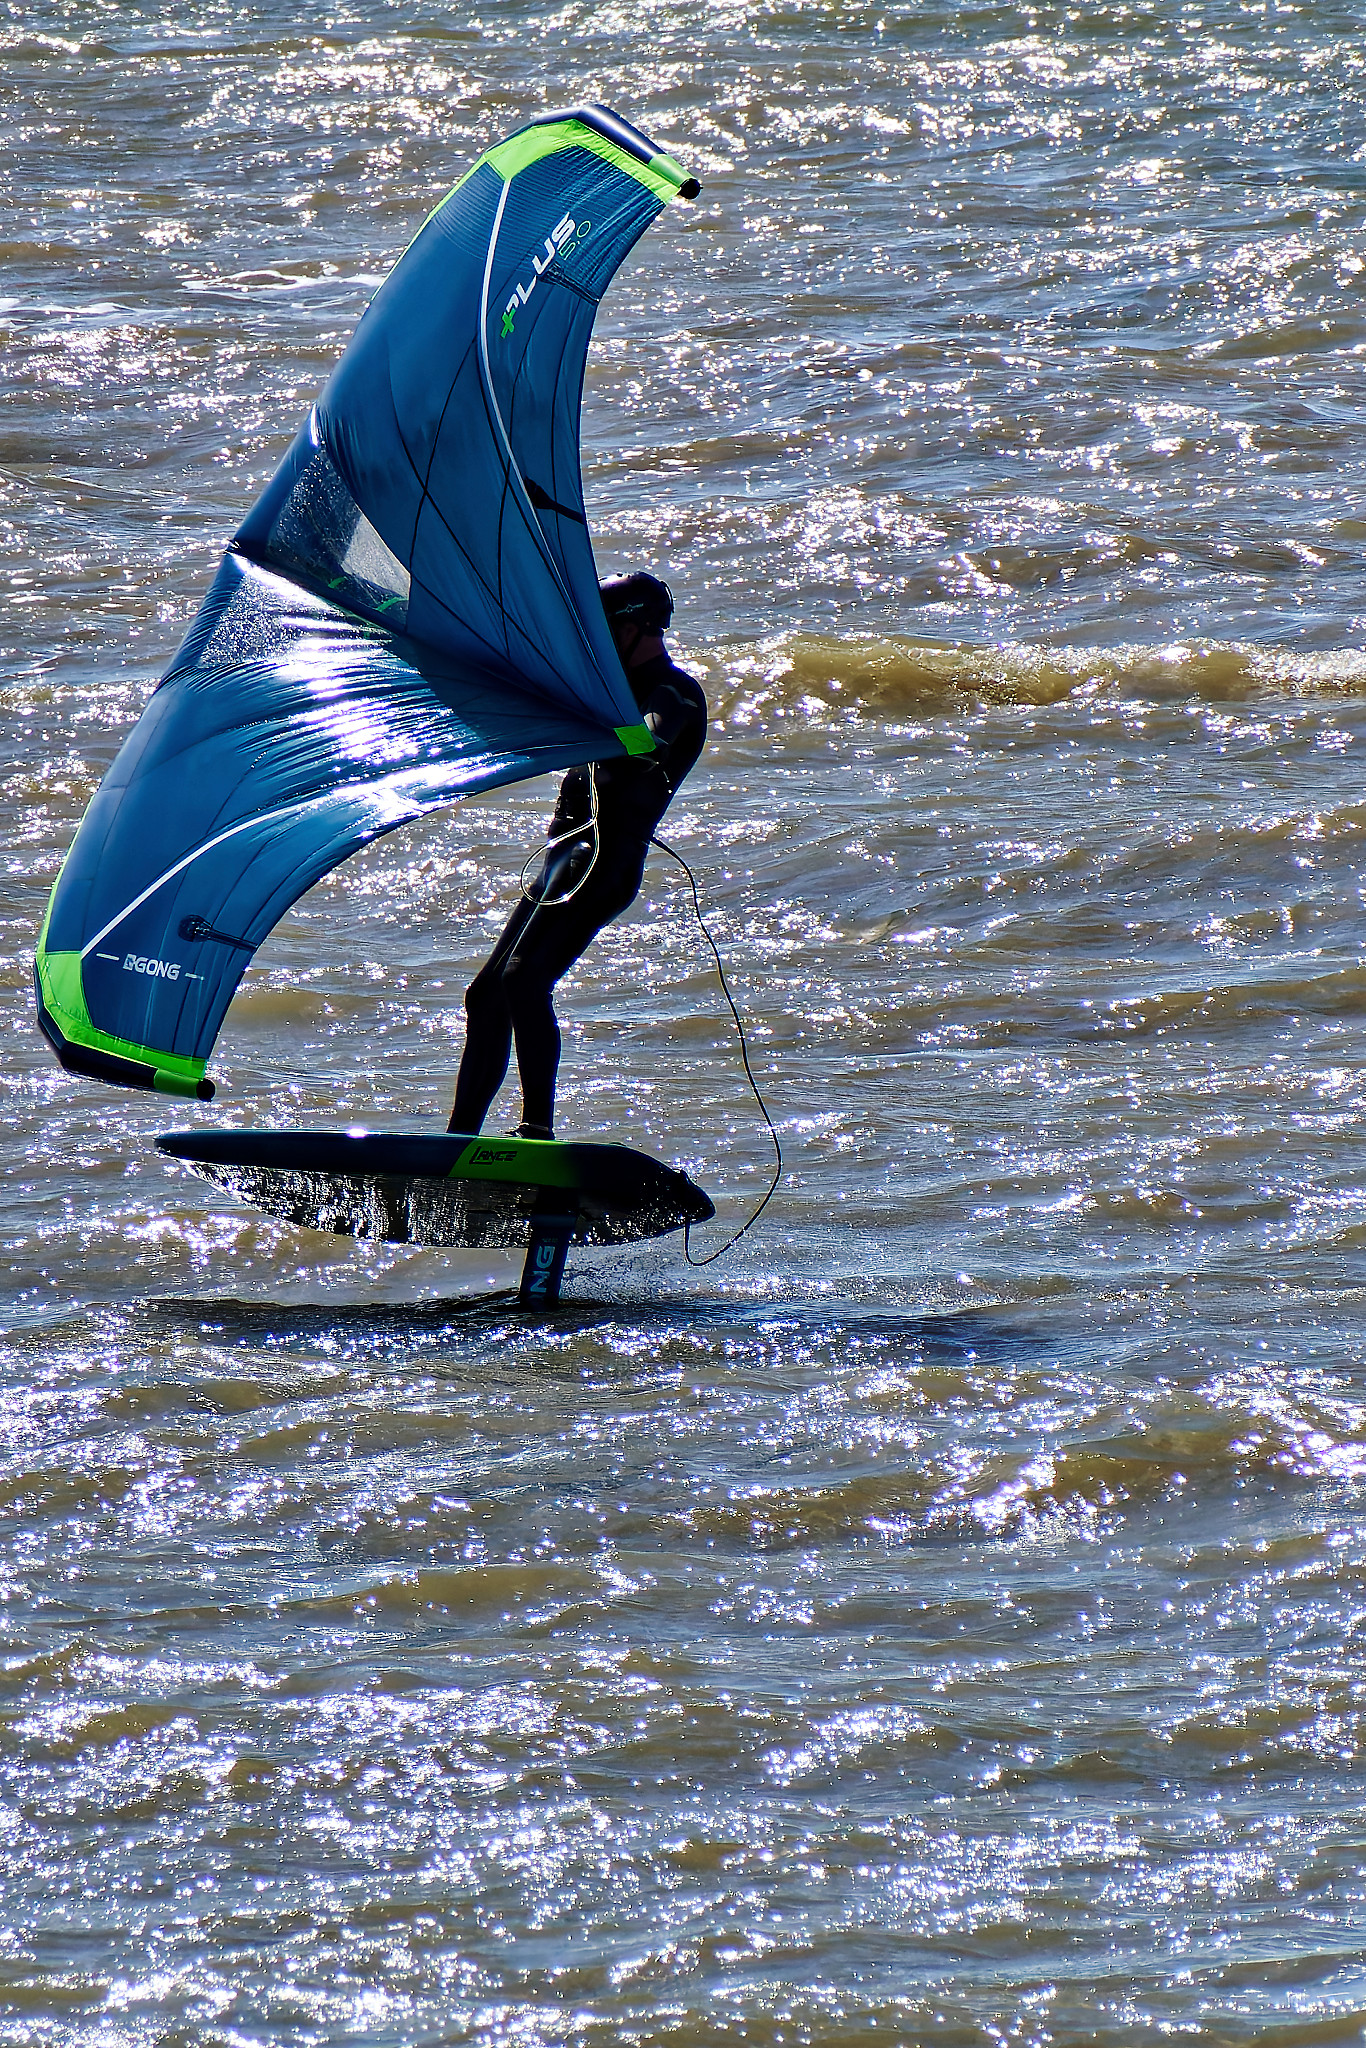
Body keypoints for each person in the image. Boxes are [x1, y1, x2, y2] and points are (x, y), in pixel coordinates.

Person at [448, 572, 708, 1139]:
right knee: (485, 993)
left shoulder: (674, 691)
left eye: (606, 629)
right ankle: (458, 1141)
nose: (594, 642)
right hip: (561, 859)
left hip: (606, 863)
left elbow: (647, 747)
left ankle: (535, 1128)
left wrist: (582, 720)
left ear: (641, 628)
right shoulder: (606, 691)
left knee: (522, 980)